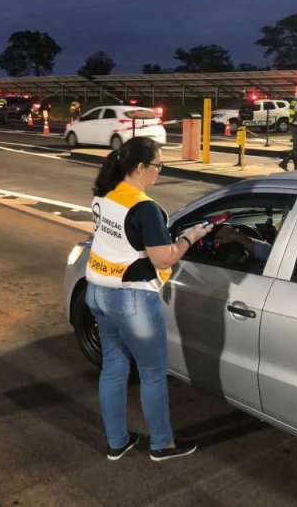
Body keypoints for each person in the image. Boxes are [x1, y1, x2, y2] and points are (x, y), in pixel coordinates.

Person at [86, 136, 211, 462]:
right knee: (153, 373)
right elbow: (164, 260)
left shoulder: (105, 194)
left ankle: (117, 442)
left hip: (97, 292)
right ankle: (162, 445)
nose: (159, 171)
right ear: (140, 167)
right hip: (132, 300)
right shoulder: (144, 208)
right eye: (157, 165)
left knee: (113, 368)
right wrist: (189, 237)